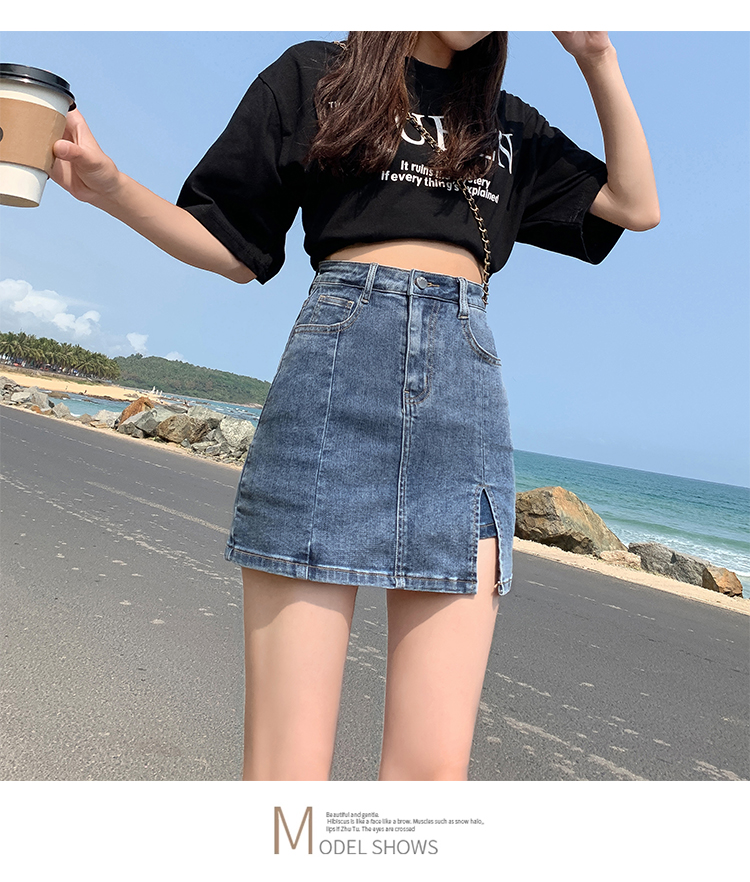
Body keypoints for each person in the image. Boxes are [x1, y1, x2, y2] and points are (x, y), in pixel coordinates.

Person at [50, 31, 659, 781]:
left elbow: (635, 205)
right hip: (332, 385)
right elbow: (232, 245)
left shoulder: (507, 122)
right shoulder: (317, 76)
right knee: (287, 768)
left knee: (432, 777)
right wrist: (109, 186)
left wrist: (596, 54)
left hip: (462, 411)